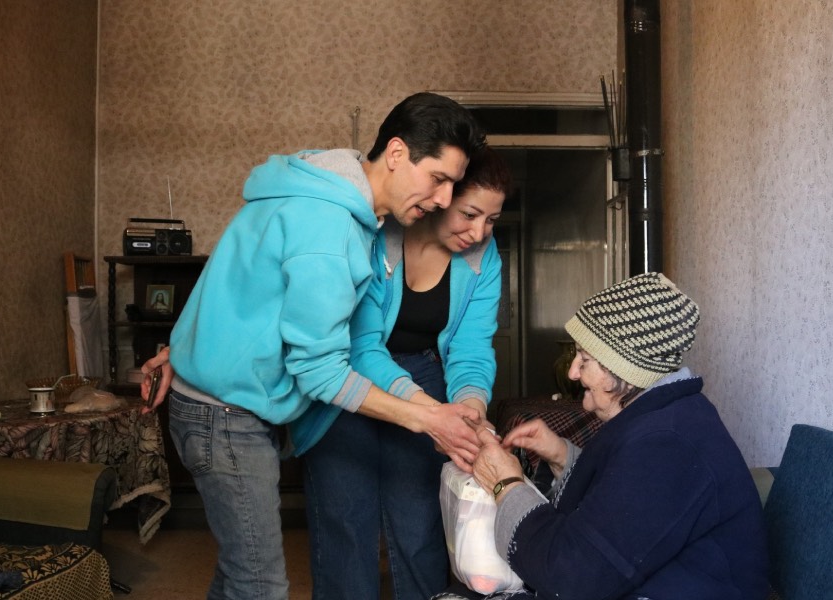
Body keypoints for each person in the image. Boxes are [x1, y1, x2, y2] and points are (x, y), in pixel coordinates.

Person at [141, 92, 487, 600]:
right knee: (259, 584)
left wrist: (187, 349)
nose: (442, 199)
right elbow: (321, 371)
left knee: (239, 574)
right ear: (396, 154)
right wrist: (428, 418)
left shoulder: (320, 186)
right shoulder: (329, 225)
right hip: (225, 415)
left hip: (220, 403)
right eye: (439, 178)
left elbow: (241, 283)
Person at [436, 272, 769, 600]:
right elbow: (628, 504)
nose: (572, 372)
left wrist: (505, 484)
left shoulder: (668, 444)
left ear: (625, 371)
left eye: (585, 359)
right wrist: (563, 457)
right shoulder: (668, 419)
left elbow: (569, 578)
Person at [292, 148, 511, 600]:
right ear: (439, 195)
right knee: (345, 525)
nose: (479, 232)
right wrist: (434, 417)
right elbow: (361, 346)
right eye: (470, 214)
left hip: (429, 376)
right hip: (350, 377)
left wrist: (468, 408)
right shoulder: (374, 235)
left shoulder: (483, 257)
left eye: (491, 220)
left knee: (420, 528)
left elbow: (472, 347)